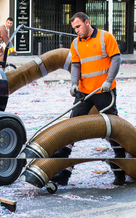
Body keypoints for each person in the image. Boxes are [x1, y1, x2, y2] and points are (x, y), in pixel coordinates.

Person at [50, 12, 126, 186]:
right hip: (84, 93)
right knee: (71, 128)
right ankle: (61, 172)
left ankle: (120, 171)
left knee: (113, 129)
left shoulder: (105, 37)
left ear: (87, 22)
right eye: (74, 28)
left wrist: (108, 81)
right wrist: (74, 84)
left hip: (104, 92)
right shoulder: (76, 43)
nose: (76, 30)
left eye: (78, 26)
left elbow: (116, 59)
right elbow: (76, 65)